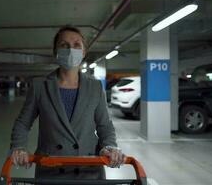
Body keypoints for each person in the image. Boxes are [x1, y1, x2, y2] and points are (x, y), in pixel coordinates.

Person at [9, 26, 125, 180]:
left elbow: (104, 125)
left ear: (84, 52)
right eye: (64, 45)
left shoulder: (95, 87)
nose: (71, 49)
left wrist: (109, 146)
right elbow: (23, 123)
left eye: (77, 45)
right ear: (55, 52)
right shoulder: (40, 86)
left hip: (88, 169)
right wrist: (18, 147)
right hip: (51, 169)